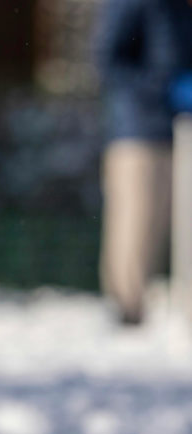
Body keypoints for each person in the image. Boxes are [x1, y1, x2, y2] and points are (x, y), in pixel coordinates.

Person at [94, 0, 192, 325]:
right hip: (137, 132)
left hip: (182, 131)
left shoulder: (180, 10)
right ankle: (127, 312)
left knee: (175, 223)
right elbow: (108, 61)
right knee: (137, 222)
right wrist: (162, 89)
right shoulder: (130, 3)